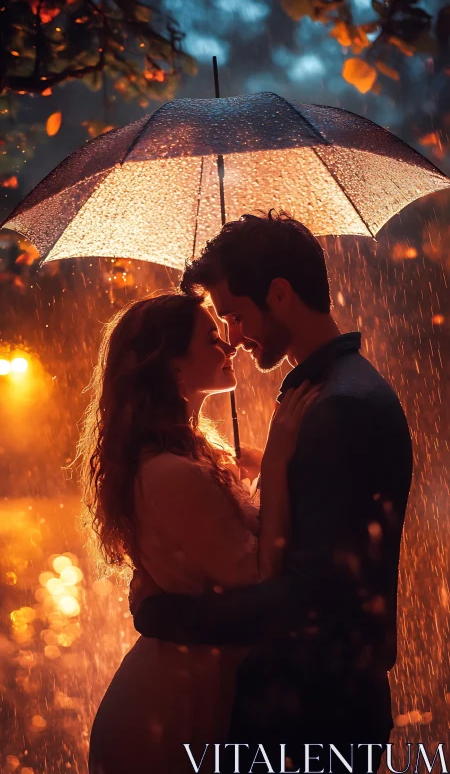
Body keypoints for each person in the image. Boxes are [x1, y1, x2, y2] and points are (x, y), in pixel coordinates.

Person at [131, 211, 414, 774]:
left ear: (280, 295)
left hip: (311, 717)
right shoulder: (332, 393)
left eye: (235, 315)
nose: (233, 336)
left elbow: (307, 599)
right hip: (313, 708)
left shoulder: (338, 408)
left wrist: (166, 616)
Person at [82, 291, 319, 774]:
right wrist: (280, 461)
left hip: (197, 686)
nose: (230, 344)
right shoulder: (171, 472)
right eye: (212, 337)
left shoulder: (193, 454)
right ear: (172, 366)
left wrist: (250, 474)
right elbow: (258, 574)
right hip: (170, 713)